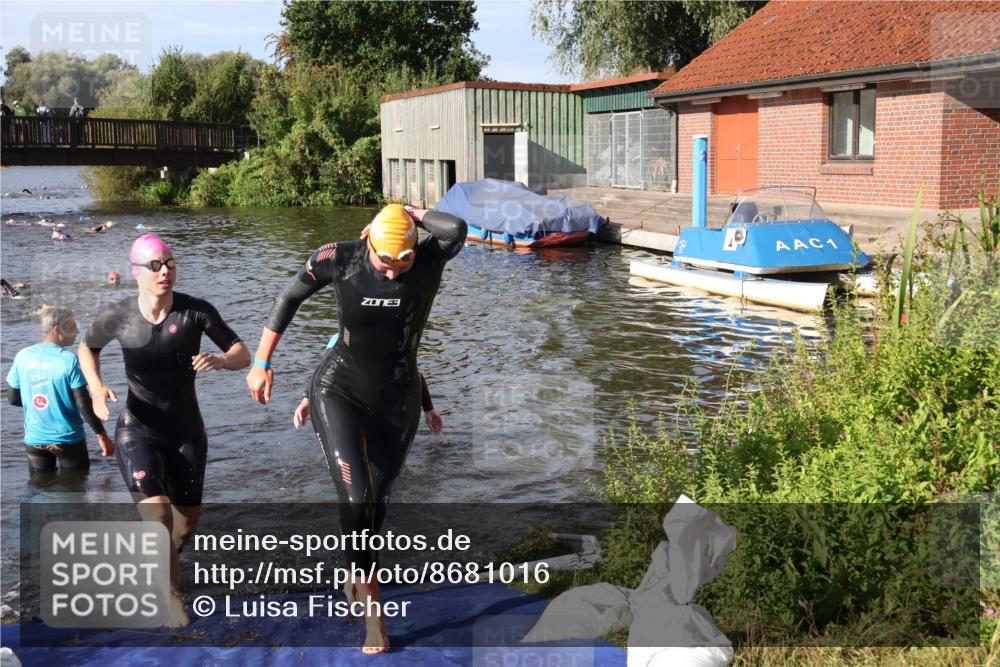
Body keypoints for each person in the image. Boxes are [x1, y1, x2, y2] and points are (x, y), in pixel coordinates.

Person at [247, 204, 466, 654]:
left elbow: (457, 227)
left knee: (377, 505)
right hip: (338, 389)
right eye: (386, 261)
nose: (392, 272)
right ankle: (375, 617)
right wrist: (261, 361)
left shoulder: (427, 260)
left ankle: (354, 571)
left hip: (398, 397)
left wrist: (408, 213)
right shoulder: (339, 258)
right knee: (356, 496)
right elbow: (288, 297)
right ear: (369, 243)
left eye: (402, 261)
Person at [78, 234, 250, 627]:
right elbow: (87, 348)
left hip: (186, 430)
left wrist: (222, 361)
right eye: (155, 266)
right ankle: (171, 596)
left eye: (170, 262)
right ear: (136, 273)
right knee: (157, 518)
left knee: (186, 521)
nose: (165, 271)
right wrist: (96, 386)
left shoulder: (195, 311)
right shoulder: (118, 314)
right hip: (136, 428)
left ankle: (156, 566)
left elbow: (243, 352)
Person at [6, 306, 114, 476]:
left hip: (35, 440)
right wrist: (102, 436)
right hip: (68, 440)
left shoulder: (22, 356)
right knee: (76, 487)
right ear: (57, 330)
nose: (78, 331)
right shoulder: (68, 360)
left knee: (39, 488)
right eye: (72, 326)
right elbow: (84, 405)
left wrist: (43, 405)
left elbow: (12, 398)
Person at [293, 333, 443, 435]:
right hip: (349, 400)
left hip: (380, 401)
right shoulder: (341, 338)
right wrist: (307, 398)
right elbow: (323, 368)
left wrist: (428, 408)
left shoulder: (388, 335)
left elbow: (411, 372)